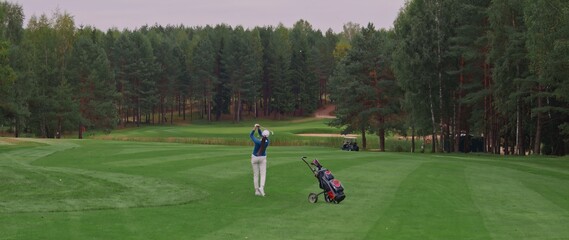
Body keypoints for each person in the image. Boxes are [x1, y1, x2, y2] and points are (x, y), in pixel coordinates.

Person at [250, 123, 270, 196]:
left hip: (255, 158)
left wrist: (255, 128)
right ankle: (261, 187)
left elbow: (251, 135)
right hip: (262, 158)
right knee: (263, 174)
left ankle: (256, 191)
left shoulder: (257, 142)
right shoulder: (267, 142)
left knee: (256, 175)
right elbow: (263, 136)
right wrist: (259, 129)